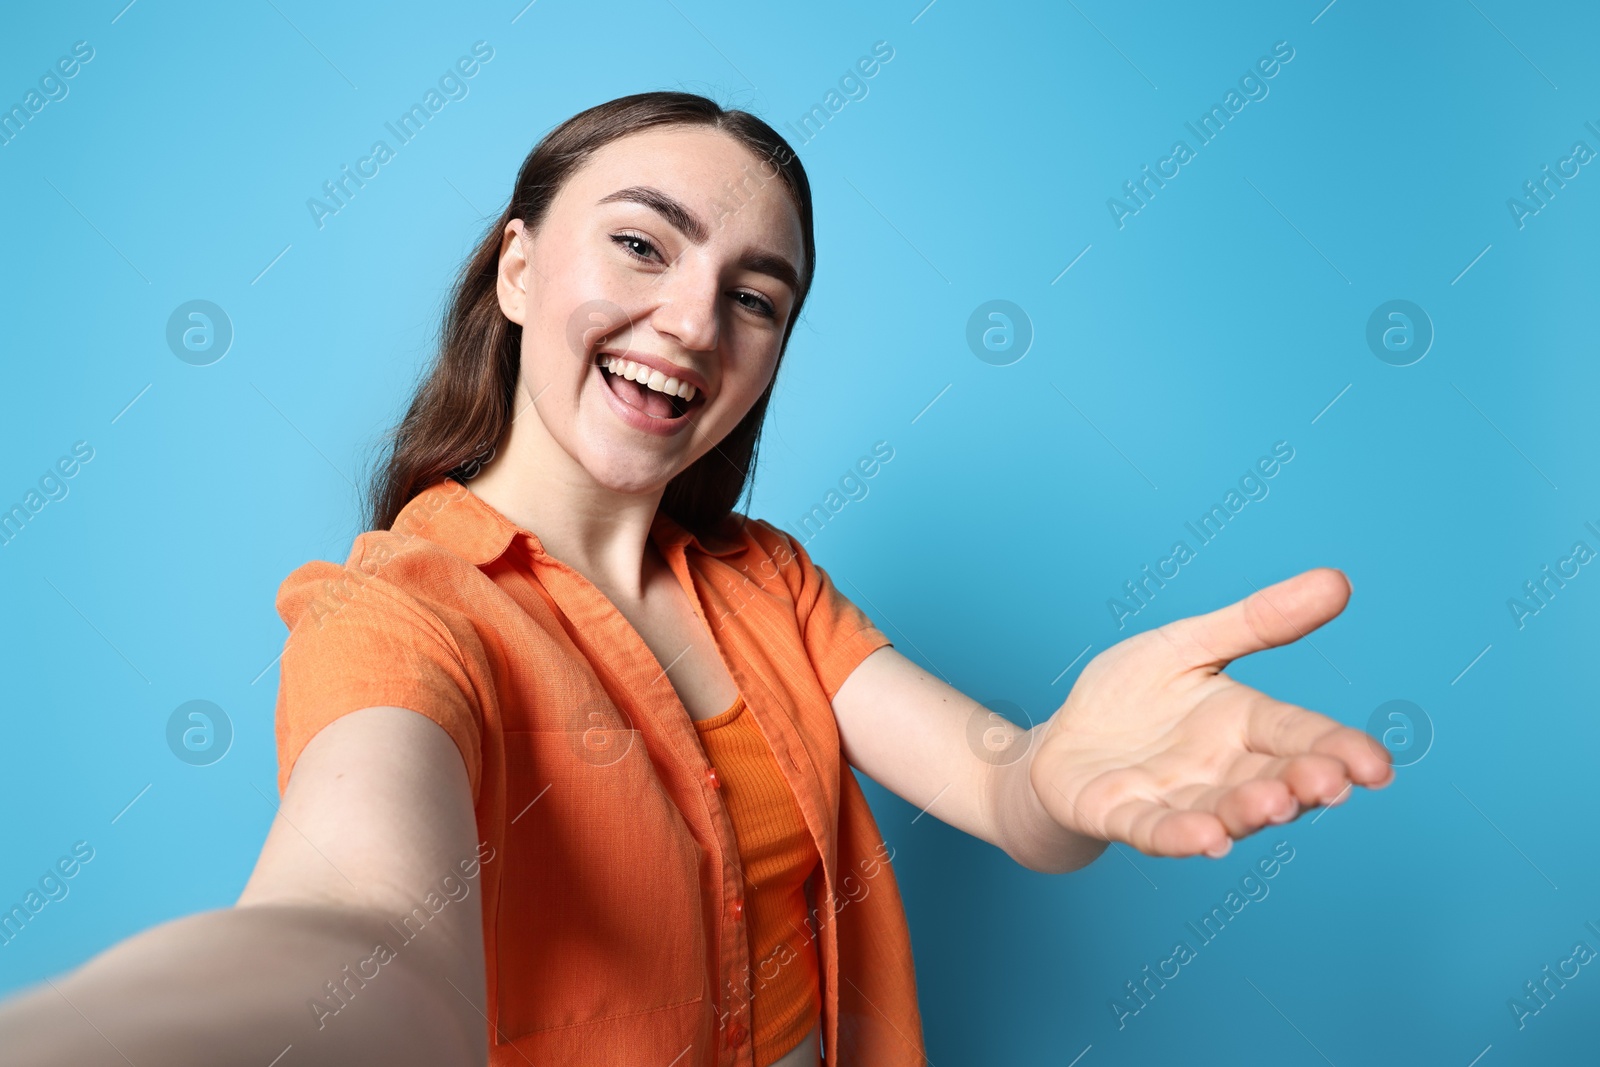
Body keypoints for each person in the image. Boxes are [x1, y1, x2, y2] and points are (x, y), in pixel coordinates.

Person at [0, 91, 1393, 1067]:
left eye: (756, 294)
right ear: (521, 269)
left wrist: (1063, 770)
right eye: (643, 242)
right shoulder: (400, 614)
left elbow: (1004, 784)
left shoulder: (768, 583)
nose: (692, 318)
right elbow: (361, 929)